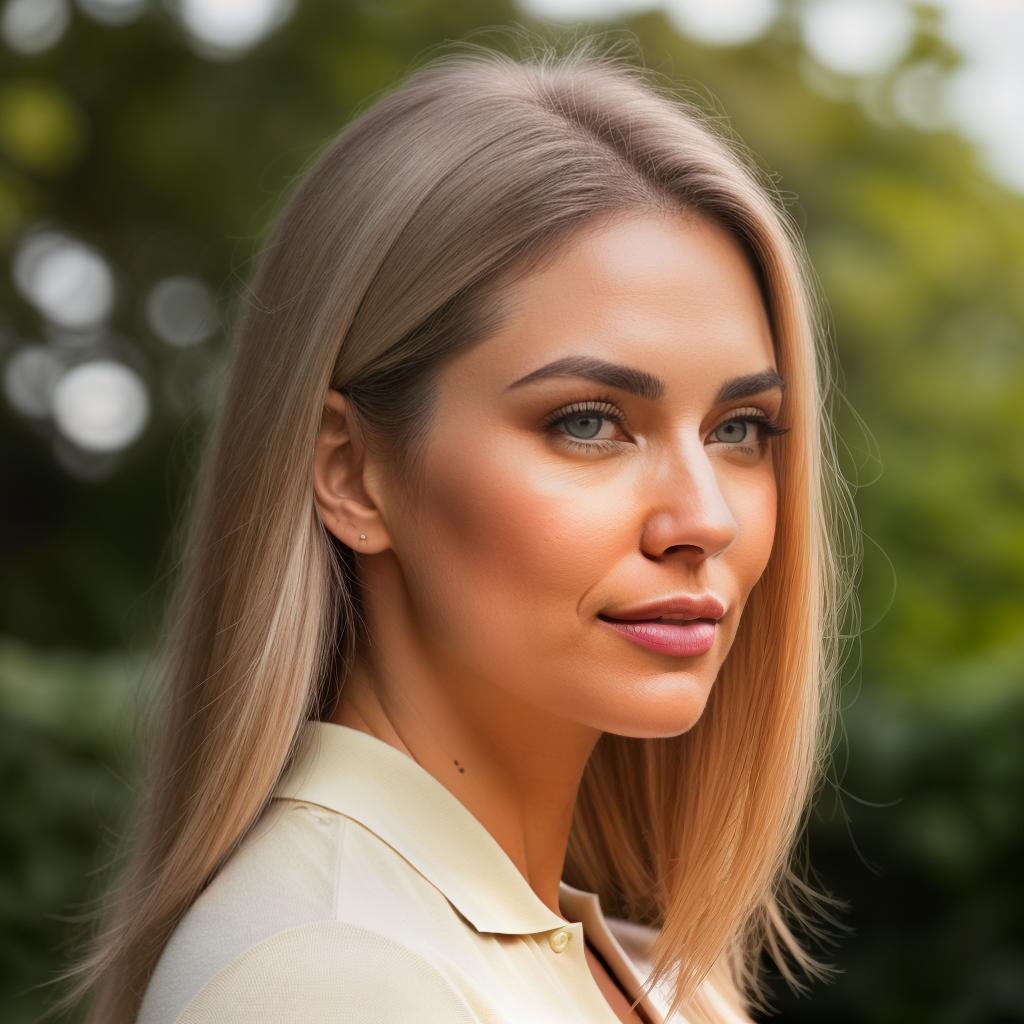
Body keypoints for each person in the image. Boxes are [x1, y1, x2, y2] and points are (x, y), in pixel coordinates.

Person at [49, 32, 857, 1024]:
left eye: (738, 429)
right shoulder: (327, 979)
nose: (704, 518)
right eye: (588, 421)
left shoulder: (651, 977)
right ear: (351, 471)